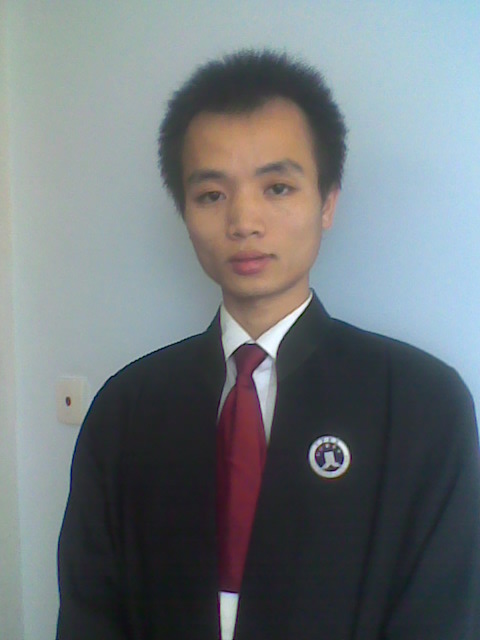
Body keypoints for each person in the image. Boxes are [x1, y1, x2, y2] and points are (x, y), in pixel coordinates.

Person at [56, 50, 480, 640]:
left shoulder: (421, 403)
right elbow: (89, 611)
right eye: (212, 194)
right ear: (184, 211)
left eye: (277, 187)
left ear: (327, 201)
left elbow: (442, 613)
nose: (244, 221)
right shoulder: (127, 407)